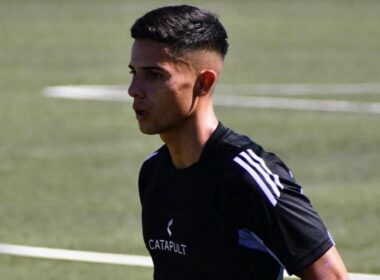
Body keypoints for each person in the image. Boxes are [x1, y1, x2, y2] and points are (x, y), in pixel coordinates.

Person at [128, 5, 348, 280]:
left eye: (154, 75)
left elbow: (331, 276)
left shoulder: (246, 176)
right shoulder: (154, 172)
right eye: (133, 73)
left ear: (203, 83)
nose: (134, 90)